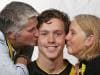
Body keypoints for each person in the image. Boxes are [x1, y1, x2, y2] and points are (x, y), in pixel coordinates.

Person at [27, 9, 73, 75]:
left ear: (66, 37)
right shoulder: (22, 72)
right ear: (36, 38)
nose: (51, 40)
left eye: (58, 34)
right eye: (44, 34)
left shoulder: (79, 72)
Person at [0, 1, 38, 75]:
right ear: (11, 34)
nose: (38, 33)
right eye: (31, 30)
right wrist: (23, 57)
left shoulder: (21, 43)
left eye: (37, 27)